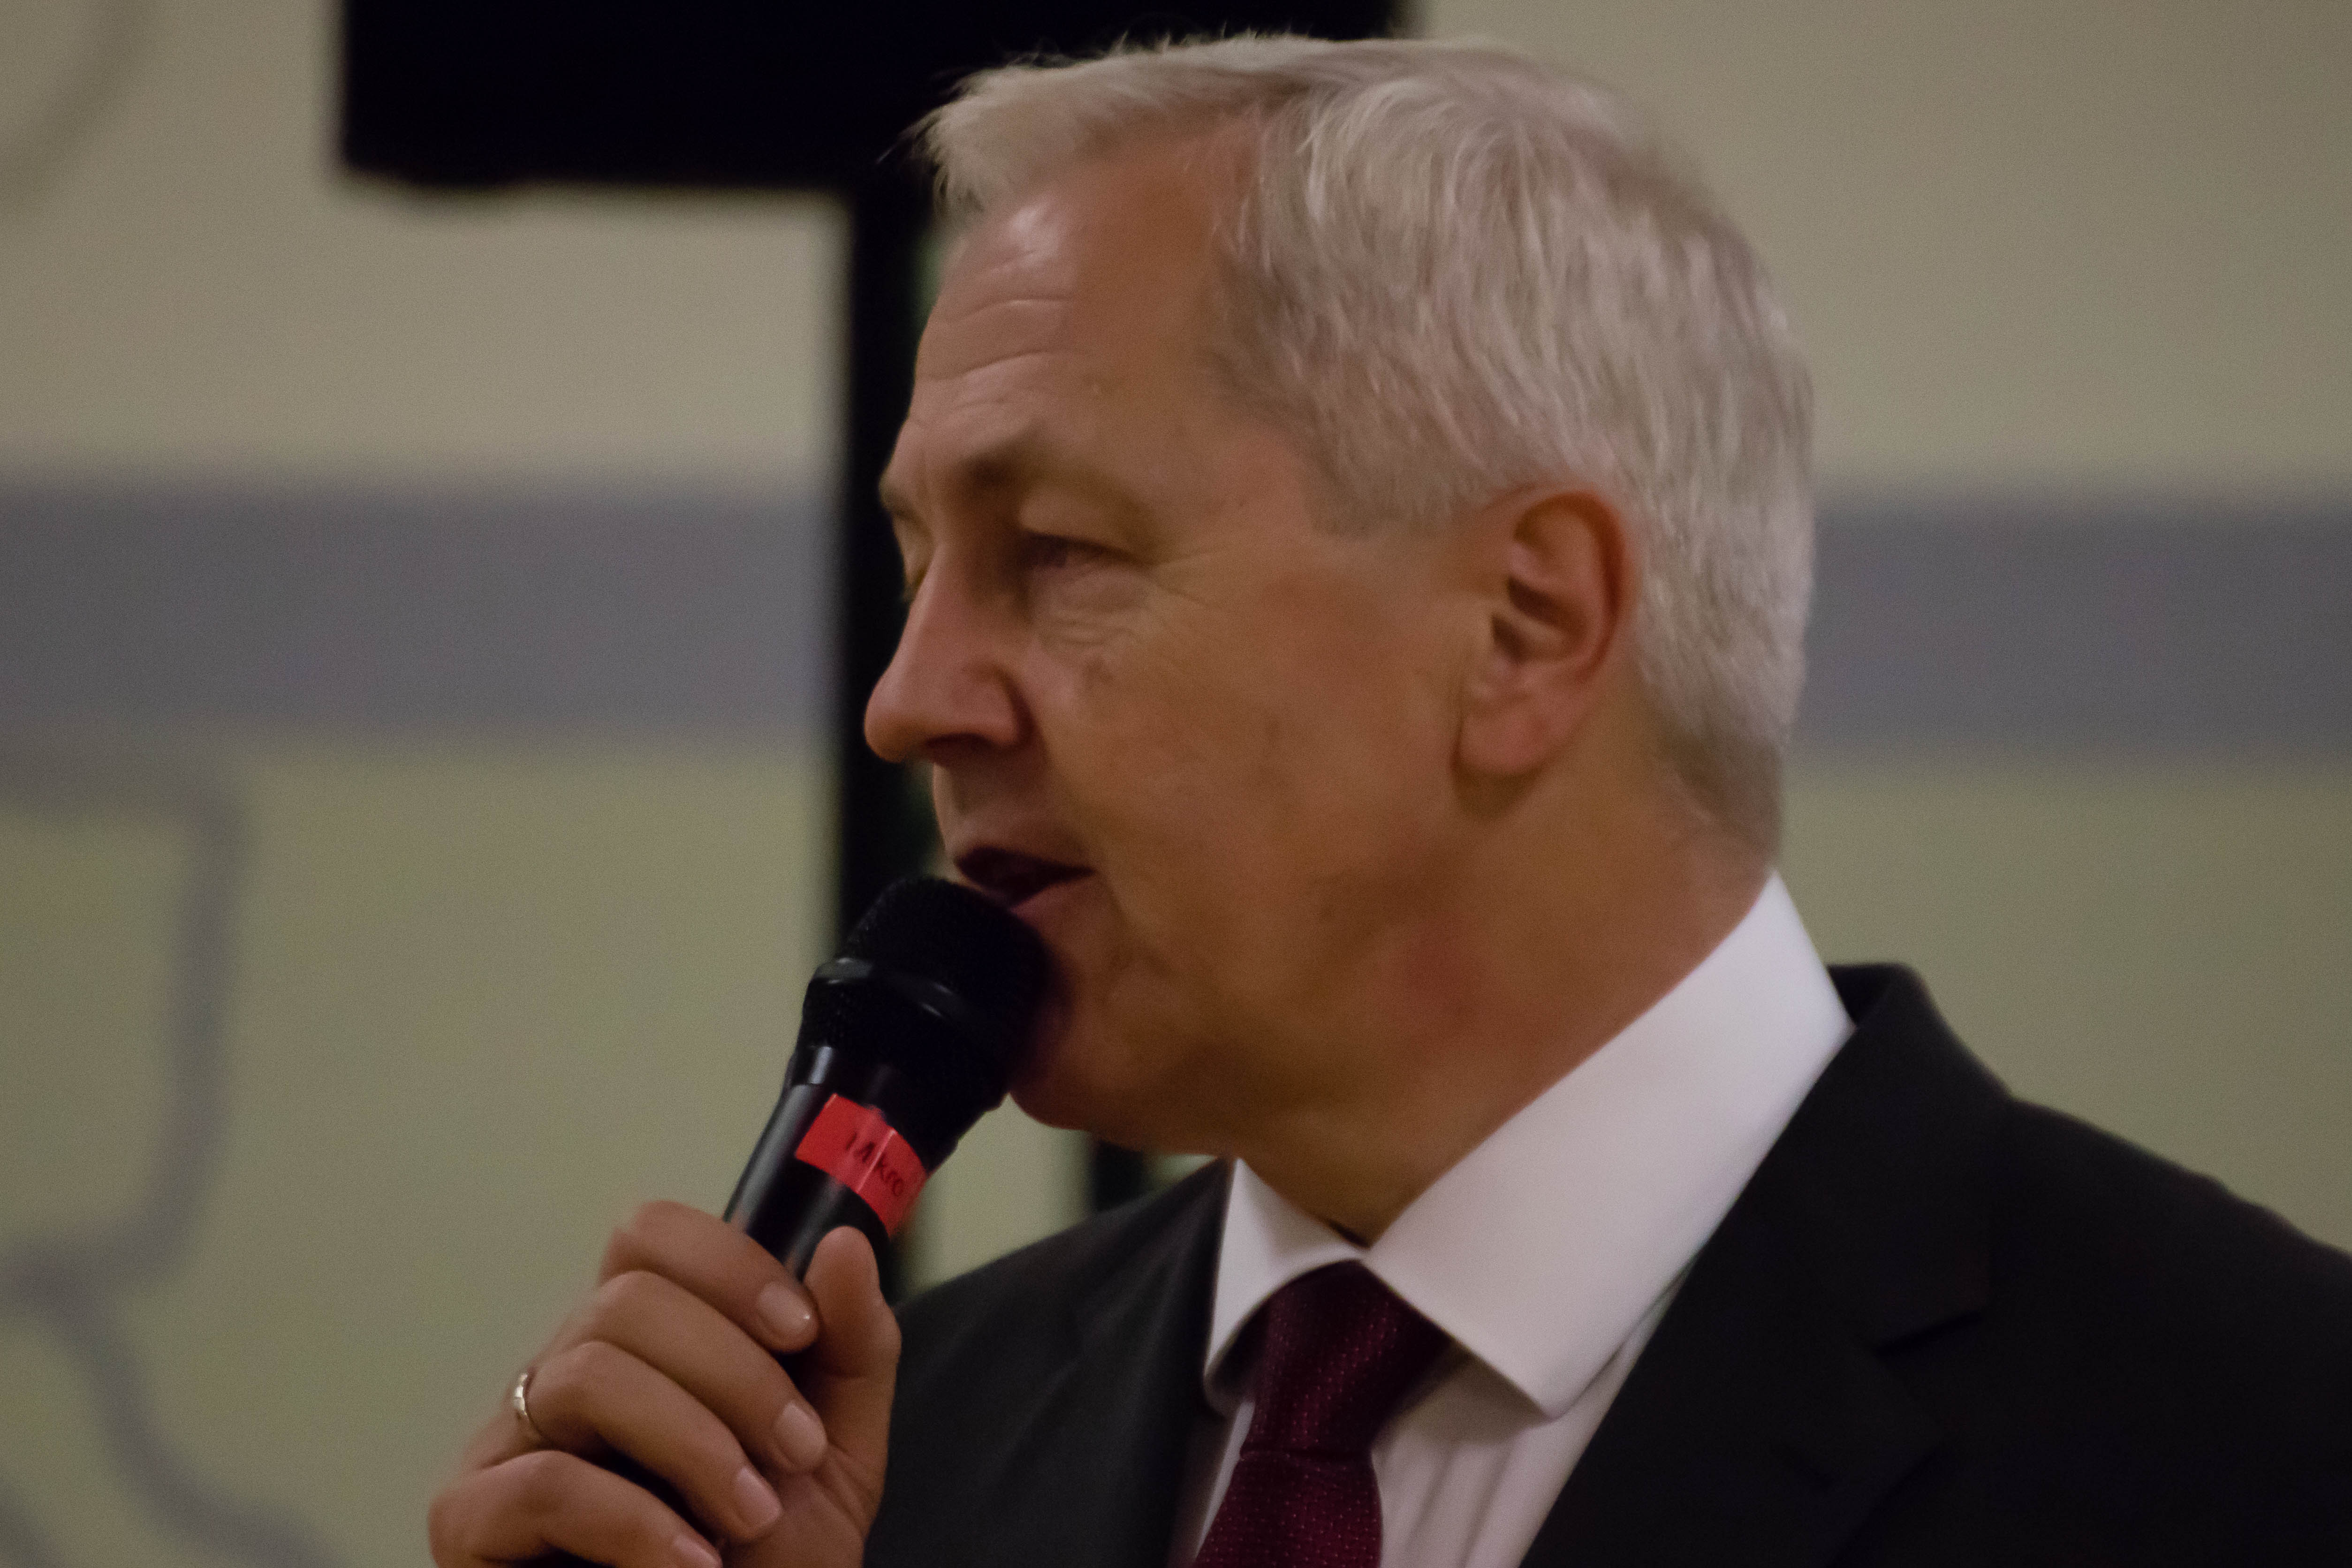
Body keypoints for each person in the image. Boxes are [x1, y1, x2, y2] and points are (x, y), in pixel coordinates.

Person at [427, 36, 2352, 1568]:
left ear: (1526, 627)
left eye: (1060, 552)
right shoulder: (890, 1459)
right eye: (919, 564)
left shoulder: (2264, 1447)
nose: (908, 700)